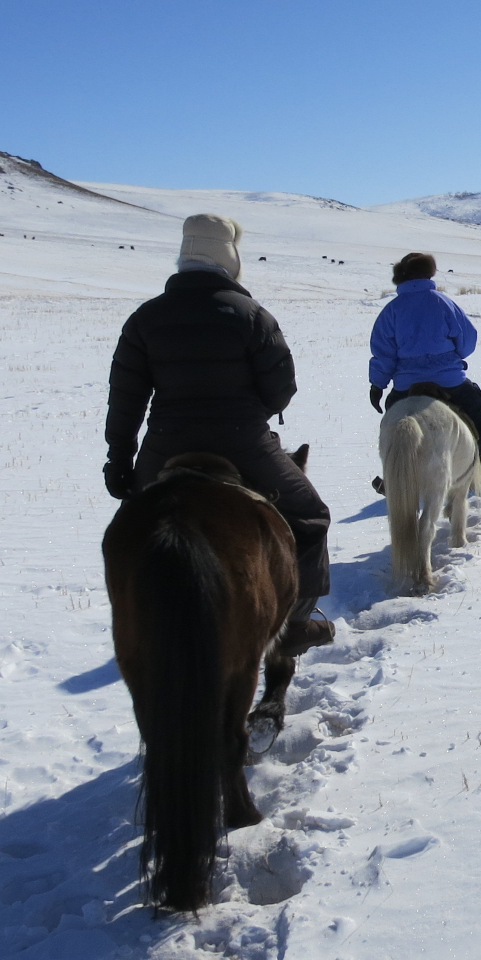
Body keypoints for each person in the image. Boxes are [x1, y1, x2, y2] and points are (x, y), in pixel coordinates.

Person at [104, 214, 335, 650]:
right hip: (242, 441)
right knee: (310, 516)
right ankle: (296, 626)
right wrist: (253, 411)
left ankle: (134, 622)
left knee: (127, 533)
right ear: (230, 257)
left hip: (165, 443)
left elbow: (126, 396)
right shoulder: (252, 315)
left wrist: (119, 459)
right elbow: (281, 388)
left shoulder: (145, 318)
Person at [368, 252, 481, 498]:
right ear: (428, 273)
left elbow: (383, 353)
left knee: (390, 427)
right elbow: (467, 341)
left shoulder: (391, 310)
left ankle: (392, 479)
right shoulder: (444, 303)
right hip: (449, 381)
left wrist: (377, 384)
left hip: (406, 384)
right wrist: (449, 358)